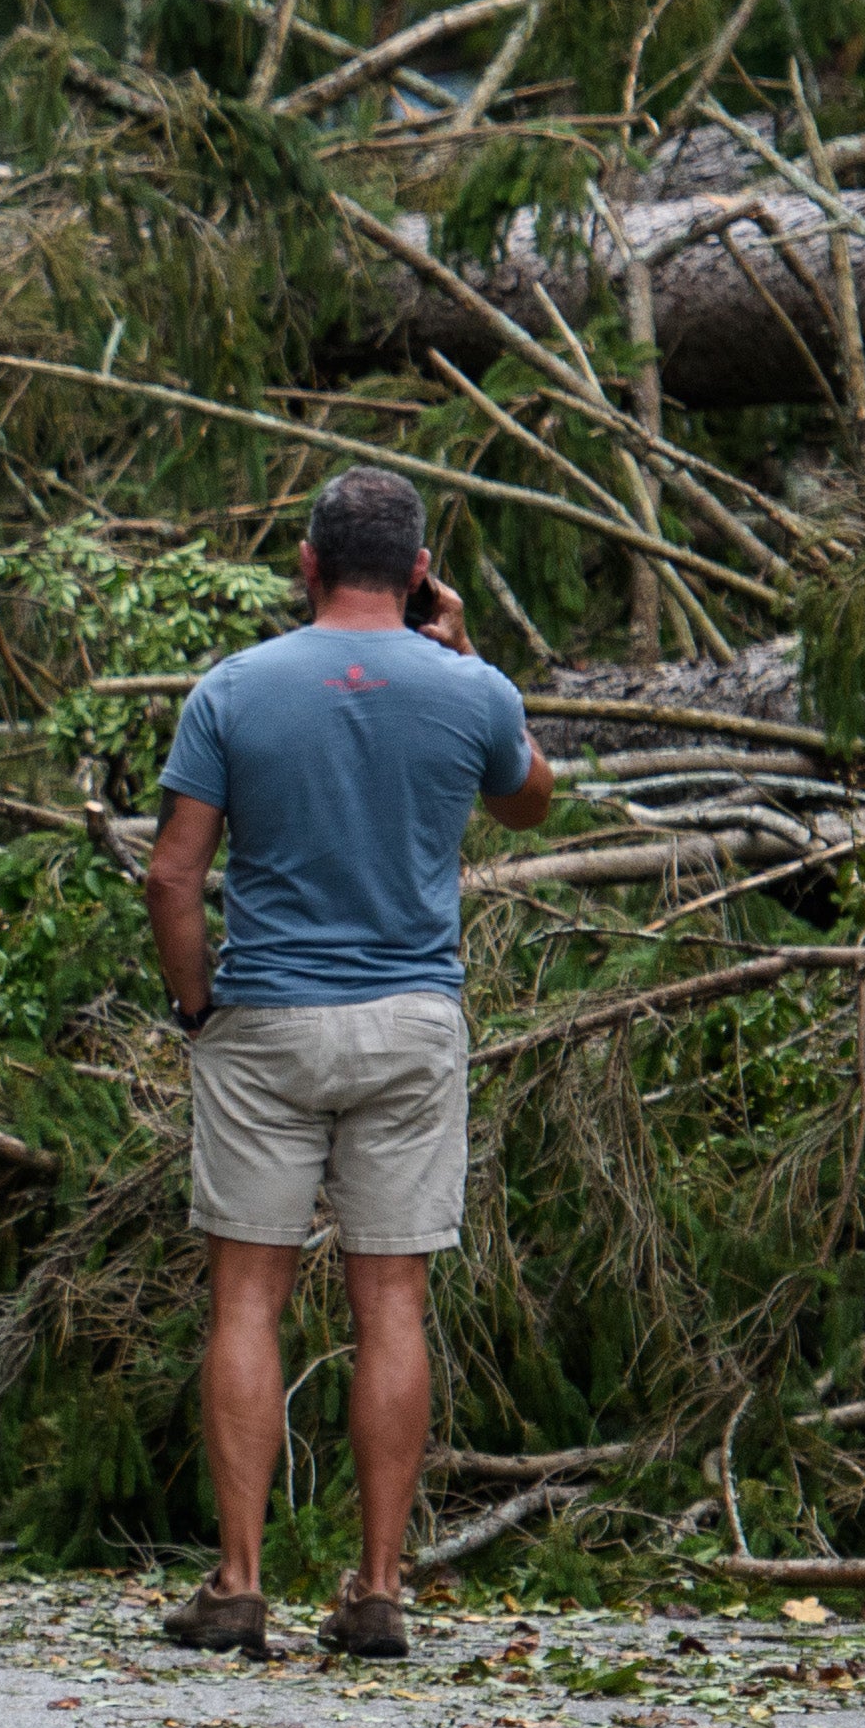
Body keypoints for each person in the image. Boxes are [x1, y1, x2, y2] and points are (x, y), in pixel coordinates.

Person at [141, 470, 558, 1661]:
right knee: (391, 1305)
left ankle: (237, 1585)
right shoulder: (469, 688)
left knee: (246, 1299)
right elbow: (531, 801)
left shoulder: (234, 688)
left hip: (267, 1018)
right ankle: (376, 1589)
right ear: (419, 573)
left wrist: (196, 1008)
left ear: (308, 564)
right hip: (409, 1022)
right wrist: (465, 656)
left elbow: (171, 875)